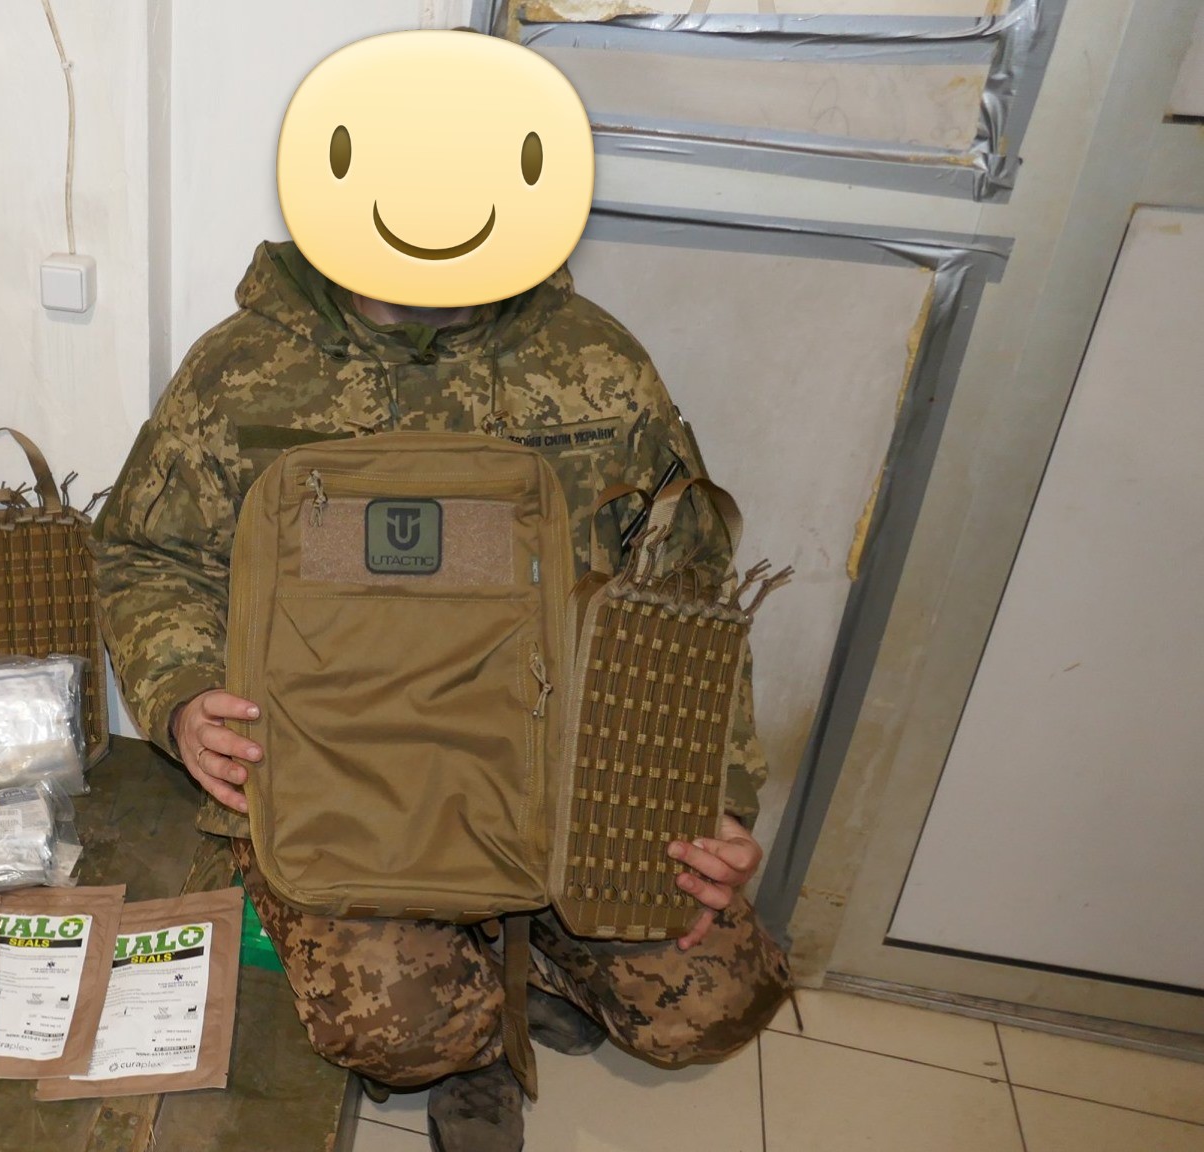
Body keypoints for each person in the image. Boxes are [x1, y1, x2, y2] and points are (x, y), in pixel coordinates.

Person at [92, 240, 791, 1151]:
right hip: (345, 781)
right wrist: (183, 695)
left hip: (561, 784)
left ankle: (519, 960)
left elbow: (686, 583)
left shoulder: (595, 363)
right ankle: (475, 1039)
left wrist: (713, 799)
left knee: (715, 1003)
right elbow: (145, 554)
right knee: (401, 1031)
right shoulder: (243, 371)